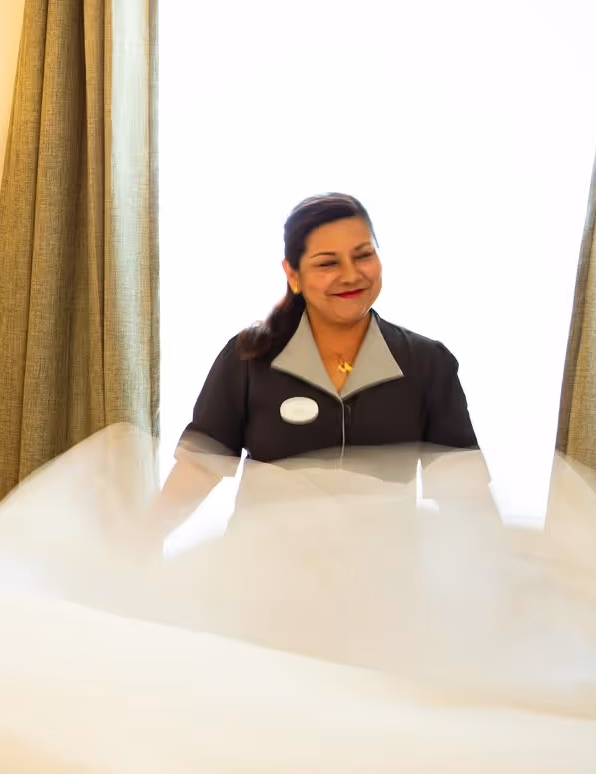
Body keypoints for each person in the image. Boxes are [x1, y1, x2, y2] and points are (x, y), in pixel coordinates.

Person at [151, 193, 481, 534]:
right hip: (264, 561)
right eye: (327, 264)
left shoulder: (428, 363)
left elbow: (463, 490)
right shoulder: (248, 357)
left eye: (363, 255)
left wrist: (499, 558)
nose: (351, 275)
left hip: (383, 563)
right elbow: (200, 468)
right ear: (293, 273)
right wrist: (140, 544)